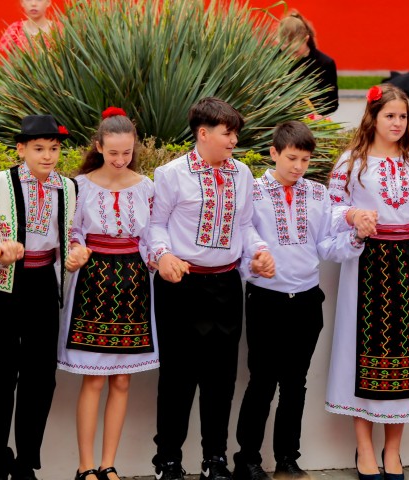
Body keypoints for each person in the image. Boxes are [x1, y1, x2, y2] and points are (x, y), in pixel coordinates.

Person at [325, 84, 409, 480]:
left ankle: (393, 450)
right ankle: (364, 448)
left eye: (403, 116)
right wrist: (353, 217)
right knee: (363, 352)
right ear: (373, 117)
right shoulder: (351, 163)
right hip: (369, 262)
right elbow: (331, 211)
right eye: (390, 115)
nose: (397, 123)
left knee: (407, 355)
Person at [148, 97, 275, 480]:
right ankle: (167, 461)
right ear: (203, 133)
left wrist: (260, 251)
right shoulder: (171, 173)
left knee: (220, 378)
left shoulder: (243, 174)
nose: (234, 140)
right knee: (177, 377)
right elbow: (154, 225)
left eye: (235, 132)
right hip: (181, 285)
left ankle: (214, 459)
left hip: (226, 284)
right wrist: (163, 254)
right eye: (227, 133)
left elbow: (246, 226)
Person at [233, 121, 367, 480]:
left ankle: (287, 458)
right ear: (274, 153)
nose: (298, 167)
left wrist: (354, 238)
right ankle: (246, 459)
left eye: (305, 160)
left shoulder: (318, 194)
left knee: (296, 382)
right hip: (266, 299)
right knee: (262, 380)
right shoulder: (254, 192)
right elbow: (243, 240)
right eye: (292, 158)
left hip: (307, 300)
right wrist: (255, 264)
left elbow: (324, 245)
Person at [57, 107, 157, 480]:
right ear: (99, 146)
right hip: (93, 280)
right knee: (94, 378)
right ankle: (85, 467)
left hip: (133, 281)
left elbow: (149, 238)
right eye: (113, 152)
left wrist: (157, 260)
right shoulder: (79, 185)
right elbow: (72, 231)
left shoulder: (146, 186)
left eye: (127, 152)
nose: (120, 159)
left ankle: (108, 464)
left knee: (122, 379)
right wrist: (76, 250)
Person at [0, 114, 76, 480]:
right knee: (1, 373)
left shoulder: (68, 188)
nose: (48, 156)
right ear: (21, 150)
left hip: (42, 287)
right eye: (39, 149)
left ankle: (26, 462)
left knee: (40, 376)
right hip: (1, 287)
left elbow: (72, 235)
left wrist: (76, 251)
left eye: (54, 149)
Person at [278, 11, 338, 116]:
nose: (291, 55)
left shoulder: (325, 63)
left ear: (306, 38)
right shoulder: (271, 60)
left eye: (295, 51)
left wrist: (314, 115)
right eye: (286, 50)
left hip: (311, 123)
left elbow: (332, 103)